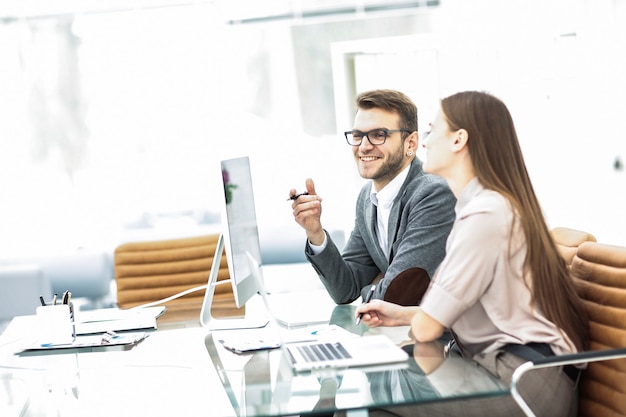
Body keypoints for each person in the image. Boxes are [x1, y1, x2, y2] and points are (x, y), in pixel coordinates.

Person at [354, 91, 589, 417]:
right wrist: (404, 314)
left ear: (458, 140)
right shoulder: (484, 205)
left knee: (375, 399)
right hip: (505, 369)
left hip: (525, 384)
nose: (424, 142)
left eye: (434, 129)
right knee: (377, 385)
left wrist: (418, 320)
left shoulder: (486, 213)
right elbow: (454, 314)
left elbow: (426, 330)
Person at [289, 89, 456, 305]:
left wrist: (377, 287)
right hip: (399, 331)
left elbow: (398, 295)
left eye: (379, 135)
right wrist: (315, 232)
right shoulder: (367, 198)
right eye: (358, 135)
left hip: (442, 336)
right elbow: (345, 289)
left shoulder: (433, 194)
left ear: (411, 144)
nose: (364, 146)